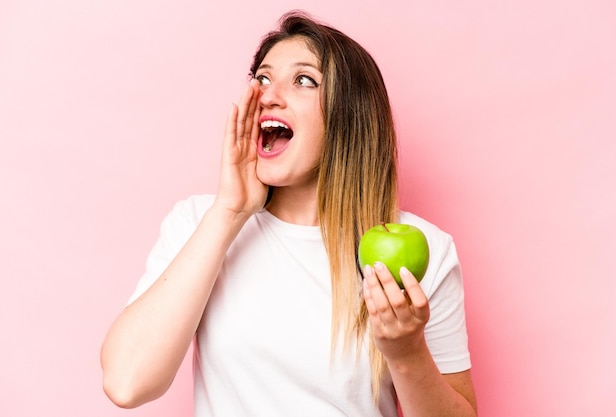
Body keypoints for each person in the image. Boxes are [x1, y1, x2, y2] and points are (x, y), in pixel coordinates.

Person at [101, 10, 478, 417]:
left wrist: (406, 353)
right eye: (262, 78)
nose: (267, 94)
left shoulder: (428, 250)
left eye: (303, 80)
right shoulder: (198, 223)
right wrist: (230, 212)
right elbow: (127, 382)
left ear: (347, 117)